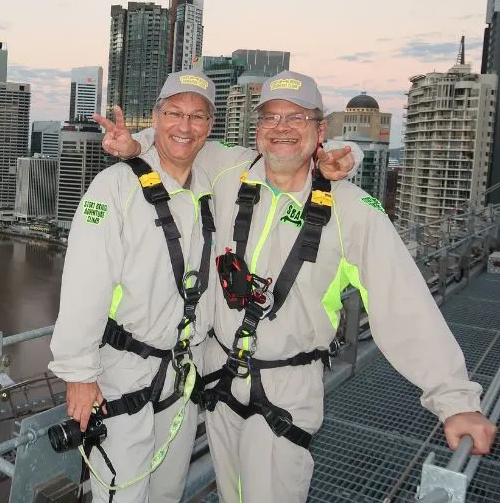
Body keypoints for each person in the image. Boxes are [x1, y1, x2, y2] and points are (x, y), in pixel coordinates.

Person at [104, 70, 497, 502]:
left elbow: (401, 302)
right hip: (217, 381)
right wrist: (134, 144)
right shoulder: (228, 170)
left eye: (297, 118)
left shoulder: (352, 210)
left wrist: (454, 398)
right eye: (271, 118)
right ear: (257, 128)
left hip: (285, 390)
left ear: (319, 129)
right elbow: (180, 136)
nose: (282, 129)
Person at [48, 69, 360, 503]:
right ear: (155, 117)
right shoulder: (113, 187)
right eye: (174, 113)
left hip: (183, 378)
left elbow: (286, 152)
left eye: (198, 116)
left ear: (210, 126)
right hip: (122, 376)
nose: (184, 125)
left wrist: (349, 154)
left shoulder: (216, 177)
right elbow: (84, 283)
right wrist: (78, 373)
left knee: (168, 492)